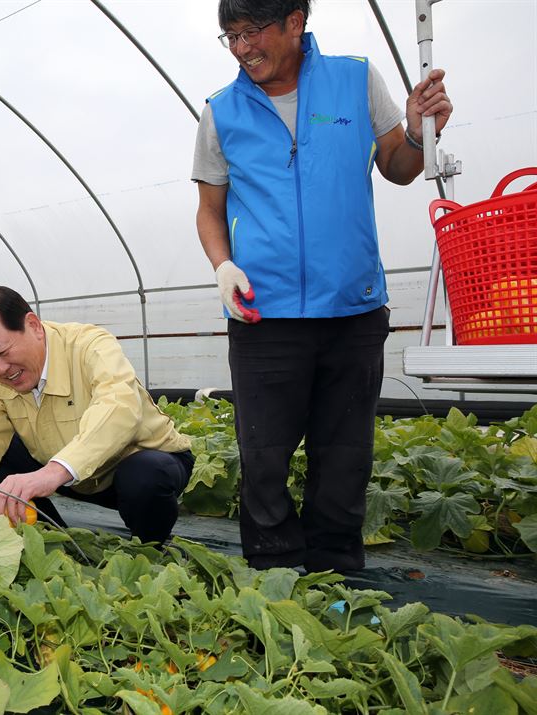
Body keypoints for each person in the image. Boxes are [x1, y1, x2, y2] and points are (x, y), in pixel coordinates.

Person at [192, 0, 452, 572]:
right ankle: (276, 578)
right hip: (264, 315)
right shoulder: (221, 111)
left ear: (295, 20)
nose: (242, 48)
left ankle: (338, 575)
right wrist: (222, 266)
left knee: (344, 456)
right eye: (230, 36)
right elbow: (209, 209)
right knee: (263, 458)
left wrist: (414, 130)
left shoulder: (353, 80)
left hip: (352, 311)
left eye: (253, 31)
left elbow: (398, 166)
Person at [0, 286, 194, 544]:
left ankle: (151, 547)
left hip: (135, 467)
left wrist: (54, 472)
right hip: (73, 479)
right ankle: (49, 539)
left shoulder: (89, 345)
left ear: (33, 325)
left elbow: (119, 406)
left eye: (2, 351)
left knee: (144, 475)